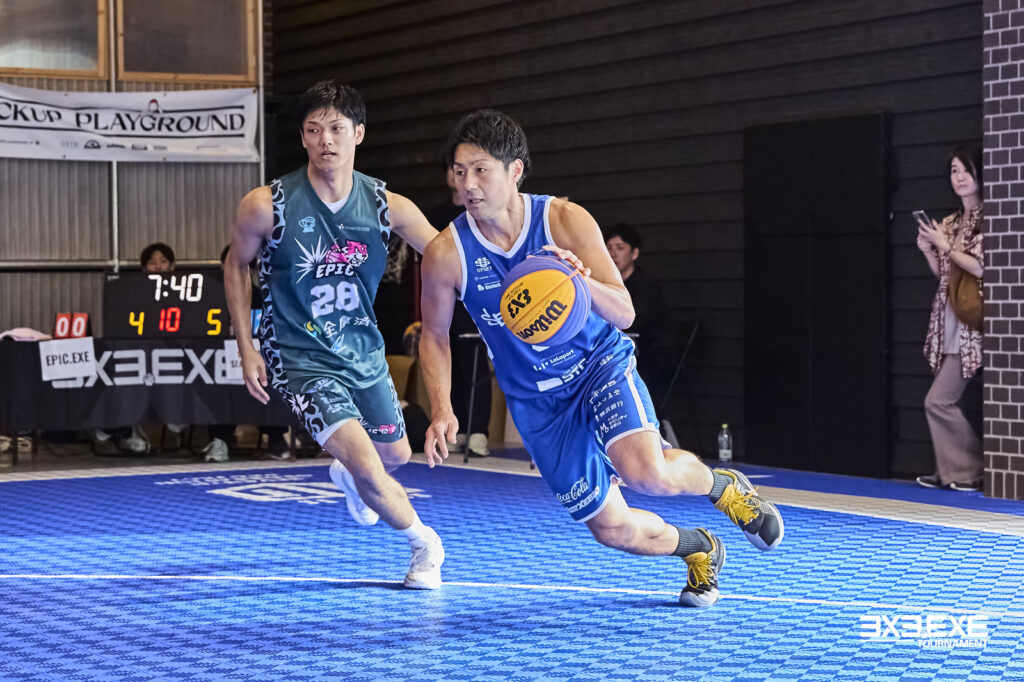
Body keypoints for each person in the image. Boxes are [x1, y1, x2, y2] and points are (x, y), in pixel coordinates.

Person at [418, 110, 784, 607]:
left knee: (647, 473)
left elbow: (625, 312)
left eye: (481, 170)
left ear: (515, 170)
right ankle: (699, 548)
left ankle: (723, 486)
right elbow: (434, 335)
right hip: (538, 402)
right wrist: (442, 408)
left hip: (597, 365)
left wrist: (577, 281)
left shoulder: (563, 220)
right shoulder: (446, 253)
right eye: (460, 172)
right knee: (612, 528)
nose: (468, 184)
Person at [224, 80, 444, 589]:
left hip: (362, 349)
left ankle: (346, 473)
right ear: (303, 137)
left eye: (337, 128)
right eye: (314, 129)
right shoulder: (267, 204)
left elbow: (445, 256)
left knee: (395, 456)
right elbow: (235, 266)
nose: (326, 139)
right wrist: (246, 345)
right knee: (369, 465)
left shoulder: (387, 206)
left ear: (358, 133)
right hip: (297, 354)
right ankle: (425, 546)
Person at [914, 145, 985, 492]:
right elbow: (945, 273)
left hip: (976, 323)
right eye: (954, 171)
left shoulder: (991, 218)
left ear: (980, 173)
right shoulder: (951, 222)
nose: (959, 177)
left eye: (966, 170)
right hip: (949, 320)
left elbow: (981, 267)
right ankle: (951, 471)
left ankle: (969, 470)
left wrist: (945, 246)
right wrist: (930, 250)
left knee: (938, 400)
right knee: (941, 400)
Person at [427, 167, 491, 457]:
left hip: (471, 299)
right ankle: (458, 428)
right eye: (456, 170)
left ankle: (478, 431)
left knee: (474, 363)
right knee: (447, 363)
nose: (460, 177)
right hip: (442, 299)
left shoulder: (477, 211)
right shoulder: (436, 214)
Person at [206, 245, 291, 462]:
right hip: (222, 359)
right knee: (220, 391)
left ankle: (277, 441)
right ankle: (220, 440)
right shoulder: (209, 298)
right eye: (228, 263)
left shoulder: (263, 296)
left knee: (268, 386)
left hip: (258, 355)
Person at [92, 242, 179, 455]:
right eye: (152, 263)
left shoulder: (184, 293)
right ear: (143, 268)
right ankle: (120, 428)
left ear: (172, 266)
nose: (158, 267)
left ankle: (177, 418)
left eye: (163, 262)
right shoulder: (130, 294)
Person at [603, 222, 673, 408]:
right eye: (609, 248)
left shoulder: (647, 285)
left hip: (648, 355)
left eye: (620, 248)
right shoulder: (604, 282)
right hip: (618, 351)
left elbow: (637, 321)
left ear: (634, 253)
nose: (613, 254)